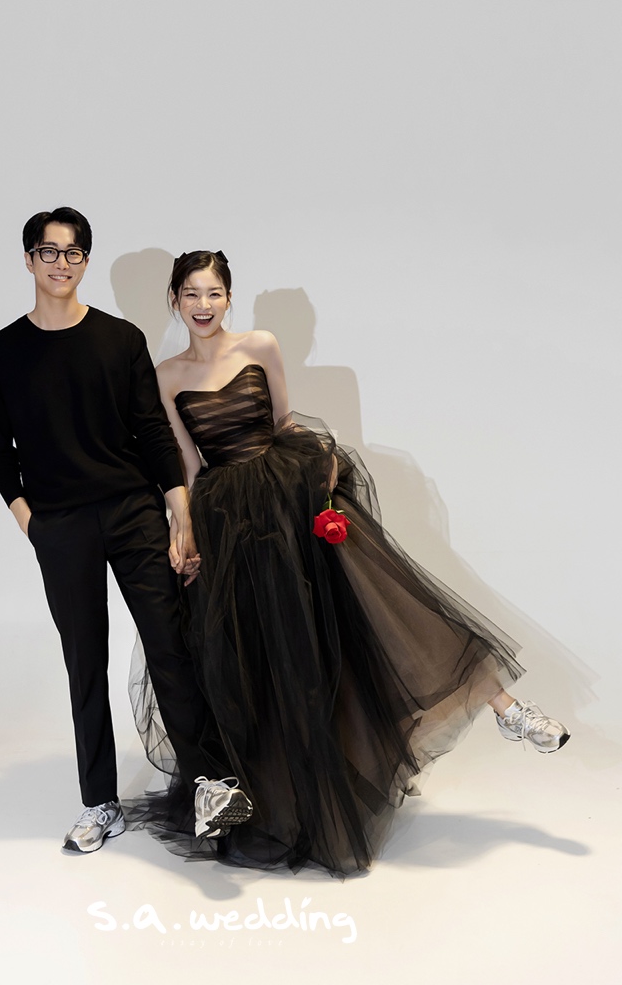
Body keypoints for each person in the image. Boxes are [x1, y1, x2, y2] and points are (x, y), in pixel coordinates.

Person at [132, 248, 569, 876]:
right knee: (258, 661)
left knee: (384, 607)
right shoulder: (166, 376)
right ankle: (274, 801)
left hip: (289, 498)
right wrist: (188, 531)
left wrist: (325, 466)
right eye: (192, 294)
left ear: (229, 297)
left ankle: (508, 710)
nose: (204, 305)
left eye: (214, 293)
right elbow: (190, 465)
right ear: (174, 299)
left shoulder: (260, 345)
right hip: (230, 520)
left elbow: (284, 422)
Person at [0, 211, 252, 854]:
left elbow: (153, 432)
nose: (61, 263)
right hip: (61, 525)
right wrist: (33, 525)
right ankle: (99, 801)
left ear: (85, 261)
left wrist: (179, 510)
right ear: (28, 259)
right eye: (49, 252)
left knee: (170, 644)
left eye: (73, 253)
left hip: (132, 511)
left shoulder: (120, 339)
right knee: (84, 661)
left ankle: (210, 784)